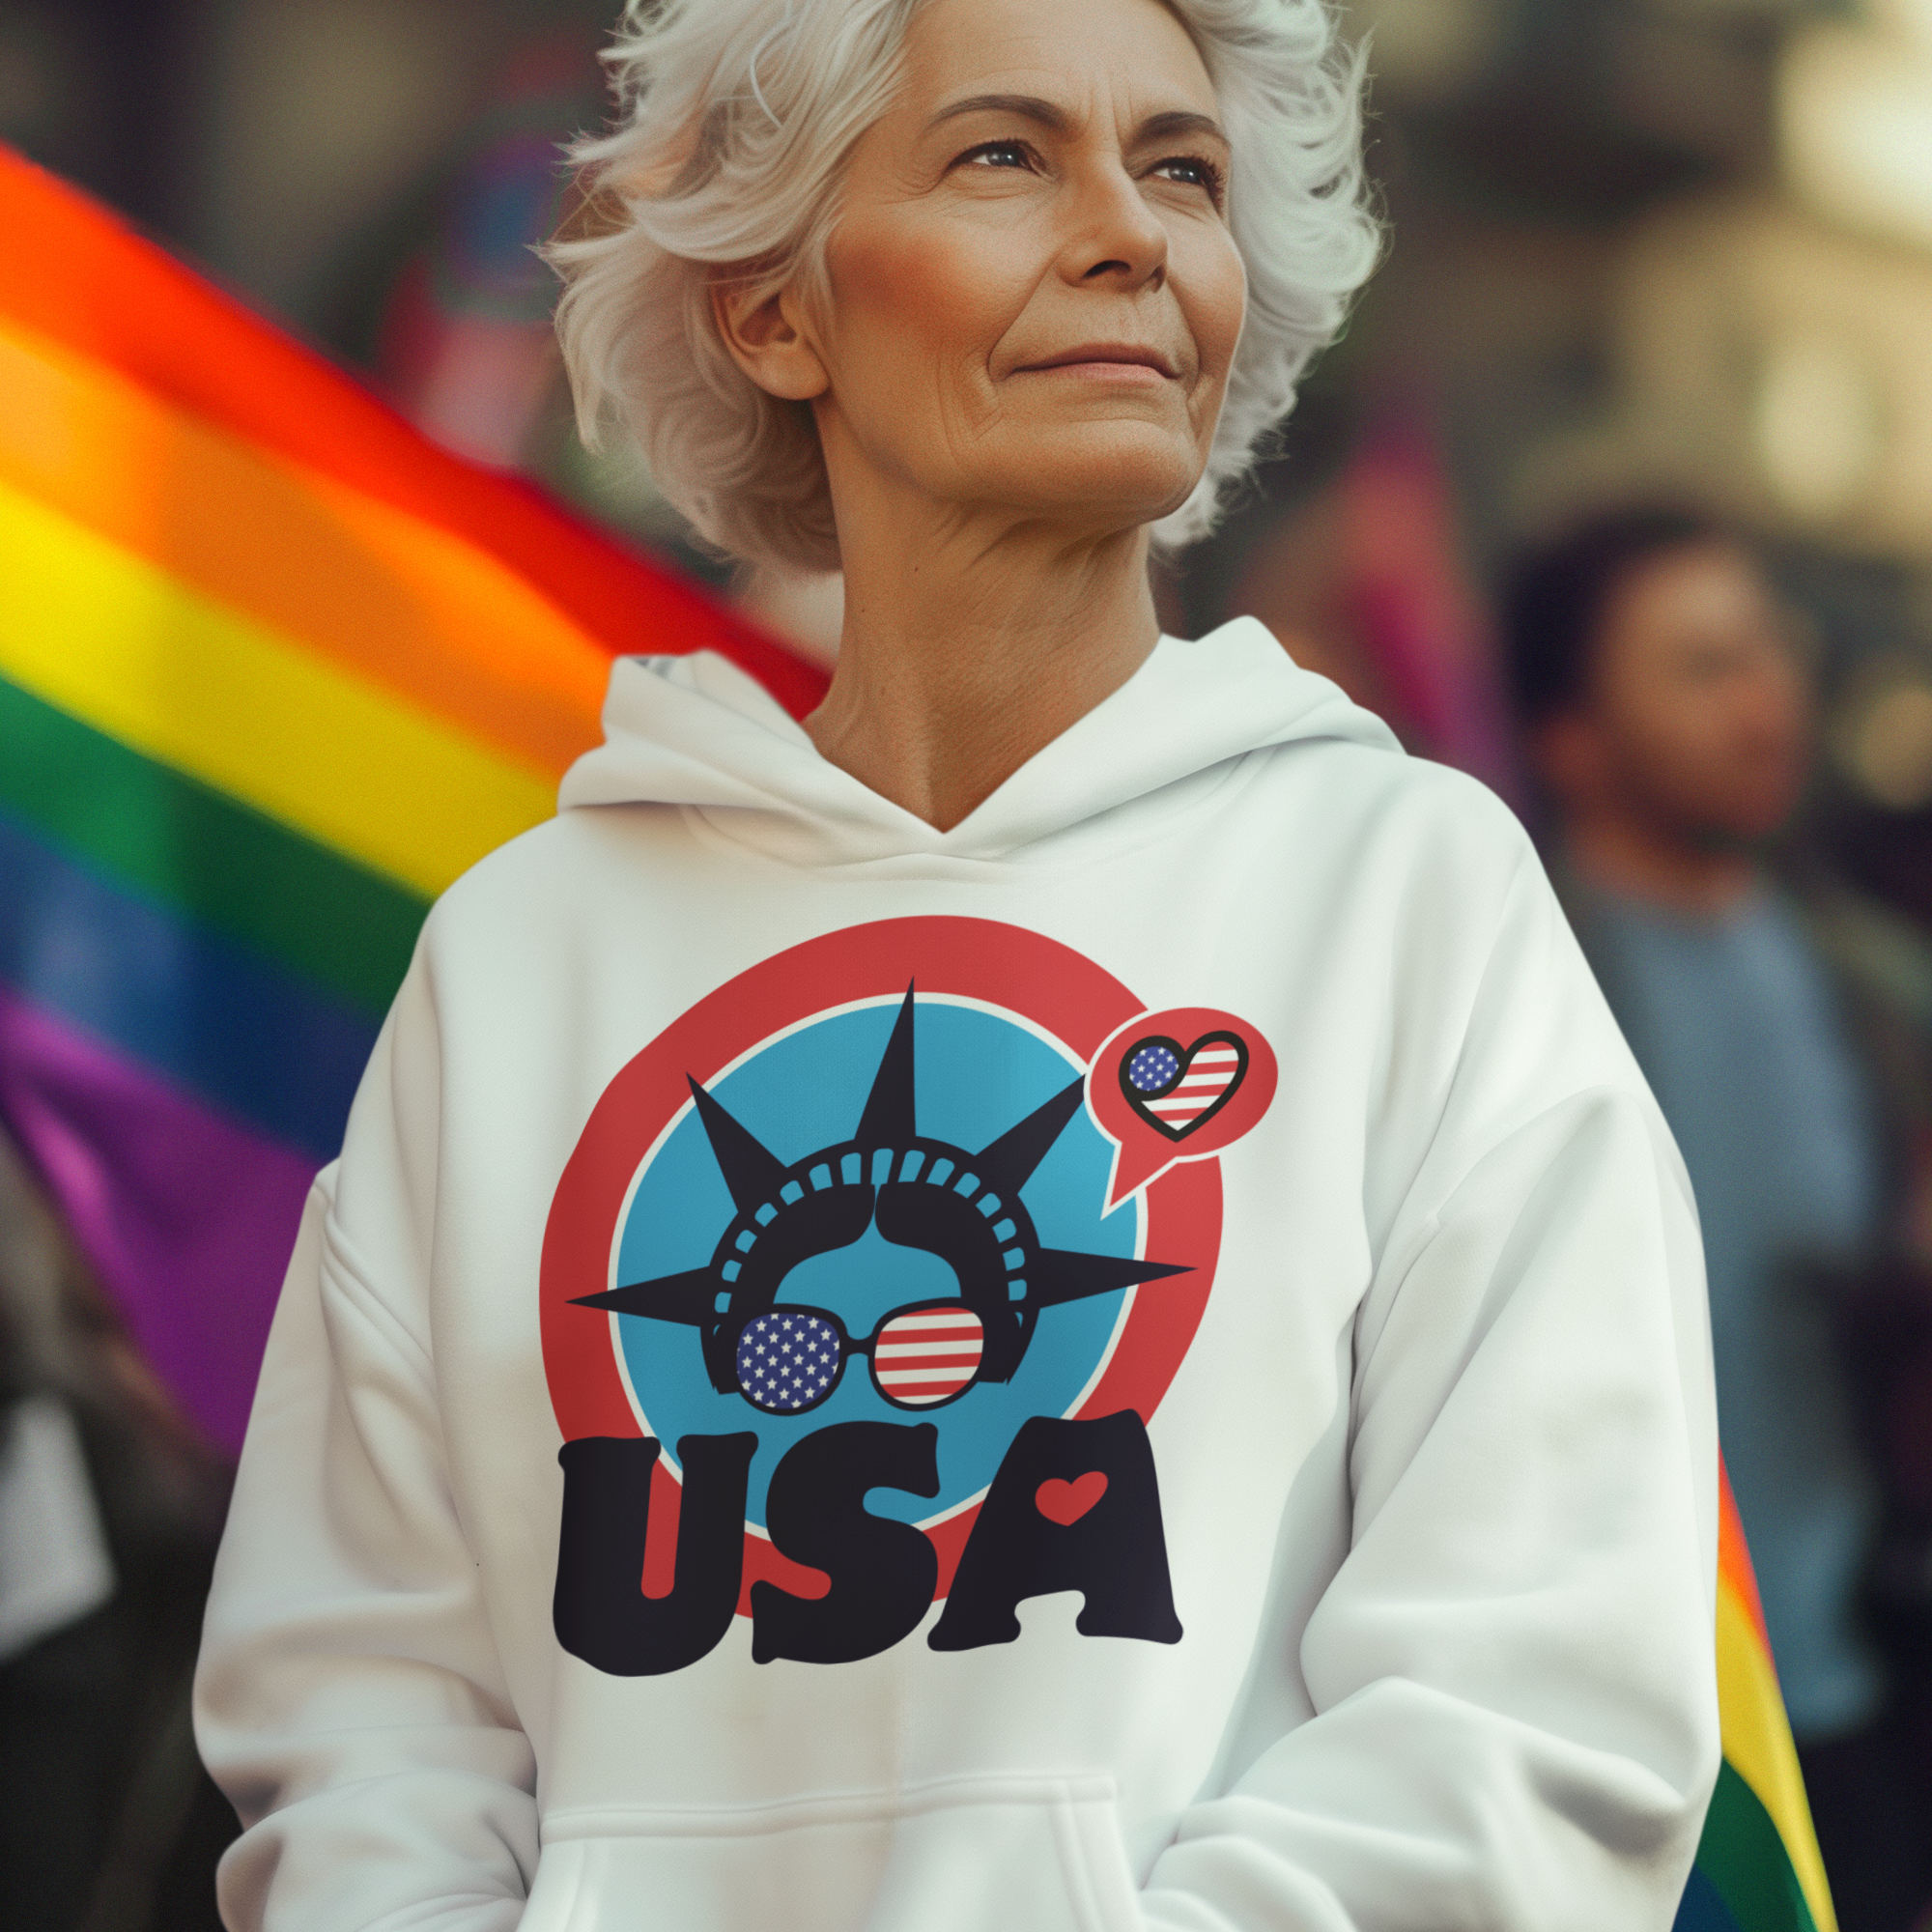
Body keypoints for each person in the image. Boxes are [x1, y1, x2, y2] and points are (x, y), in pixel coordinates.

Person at [193, 3, 1719, 1928]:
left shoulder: (1410, 894)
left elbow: (1532, 1708)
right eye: (1005, 155)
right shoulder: (518, 959)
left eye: (1180, 169)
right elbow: (366, 1722)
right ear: (775, 312)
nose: (1131, 232)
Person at [1504, 507, 1931, 1930]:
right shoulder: (1506, 999)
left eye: (1768, 652)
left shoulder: (1874, 993)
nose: (1765, 699)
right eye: (1700, 666)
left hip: (1846, 1701)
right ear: (1572, 736)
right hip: (1575, 1736)